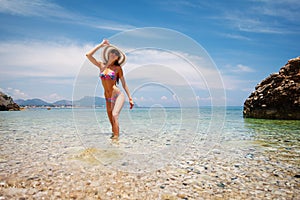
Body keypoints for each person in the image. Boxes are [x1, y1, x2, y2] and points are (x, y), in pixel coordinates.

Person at [86, 39, 134, 139]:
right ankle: (114, 141)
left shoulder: (118, 68)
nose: (113, 54)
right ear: (109, 54)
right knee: (111, 120)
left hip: (117, 95)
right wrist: (100, 45)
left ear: (117, 58)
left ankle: (116, 140)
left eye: (116, 54)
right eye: (112, 52)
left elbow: (124, 83)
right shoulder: (101, 65)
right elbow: (88, 55)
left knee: (115, 115)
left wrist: (130, 97)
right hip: (107, 97)